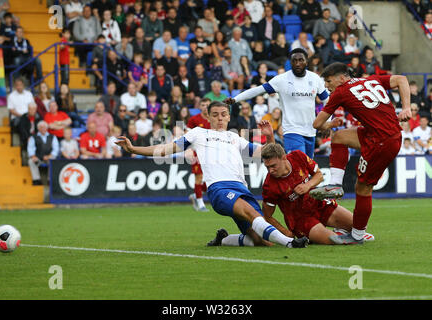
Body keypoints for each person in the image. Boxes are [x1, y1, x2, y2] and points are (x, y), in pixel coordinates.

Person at [115, 101, 308, 248]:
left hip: (241, 188)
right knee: (252, 214)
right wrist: (134, 149)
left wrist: (269, 136)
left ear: (229, 117)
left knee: (260, 240)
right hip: (219, 189)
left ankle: (224, 240)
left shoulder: (235, 138)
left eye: (224, 114)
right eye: (215, 115)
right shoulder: (198, 134)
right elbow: (166, 149)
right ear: (208, 117)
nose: (220, 118)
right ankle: (290, 243)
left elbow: (265, 153)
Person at [309, 62, 411, 244]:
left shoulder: (341, 91)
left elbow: (317, 124)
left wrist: (329, 124)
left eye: (328, 81)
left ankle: (357, 235)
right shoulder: (370, 80)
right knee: (339, 137)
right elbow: (402, 79)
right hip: (384, 134)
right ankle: (335, 184)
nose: (326, 86)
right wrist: (406, 108)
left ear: (341, 78)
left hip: (381, 141)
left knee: (363, 188)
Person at [260, 143, 374, 244]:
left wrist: (307, 186)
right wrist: (286, 233)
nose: (270, 171)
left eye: (273, 166)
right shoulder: (269, 185)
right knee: (336, 240)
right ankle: (337, 234)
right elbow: (267, 216)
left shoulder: (297, 156)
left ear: (283, 158)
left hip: (319, 204)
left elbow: (319, 175)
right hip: (301, 220)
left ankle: (341, 230)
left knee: (360, 226)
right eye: (267, 167)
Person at [226, 48, 330, 158]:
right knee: (300, 163)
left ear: (306, 61)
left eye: (301, 60)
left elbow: (327, 100)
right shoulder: (282, 79)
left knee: (307, 170)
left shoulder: (315, 78)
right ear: (290, 62)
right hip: (292, 131)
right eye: (294, 61)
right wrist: (236, 99)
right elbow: (258, 90)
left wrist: (327, 122)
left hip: (310, 132)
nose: (298, 63)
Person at [186, 98, 211, 212]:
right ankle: (201, 204)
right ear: (200, 106)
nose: (205, 107)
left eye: (207, 105)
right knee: (199, 177)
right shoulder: (194, 119)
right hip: (197, 152)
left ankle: (196, 195)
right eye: (203, 105)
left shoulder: (214, 119)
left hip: (212, 153)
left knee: (211, 179)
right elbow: (187, 136)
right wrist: (189, 149)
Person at [27, 120, 59, 185]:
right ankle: (36, 179)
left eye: (44, 127)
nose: (42, 128)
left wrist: (49, 156)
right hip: (38, 158)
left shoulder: (53, 137)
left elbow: (56, 149)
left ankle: (50, 179)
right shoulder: (33, 137)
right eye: (41, 127)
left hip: (49, 157)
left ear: (47, 128)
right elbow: (30, 148)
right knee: (31, 161)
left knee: (53, 159)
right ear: (38, 128)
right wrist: (33, 156)